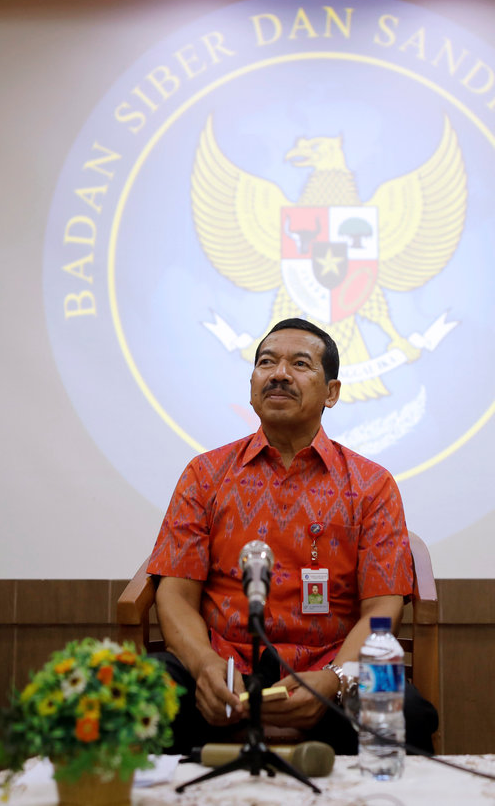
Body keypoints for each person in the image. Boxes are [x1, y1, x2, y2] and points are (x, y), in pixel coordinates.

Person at [146, 317, 438, 755]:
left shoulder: (371, 485)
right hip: (224, 672)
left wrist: (335, 679)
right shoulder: (205, 475)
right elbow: (175, 593)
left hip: (330, 672)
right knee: (141, 693)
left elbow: (382, 607)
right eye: (266, 362)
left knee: (407, 714)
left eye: (300, 364)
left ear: (332, 393)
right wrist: (205, 666)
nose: (279, 374)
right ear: (252, 386)